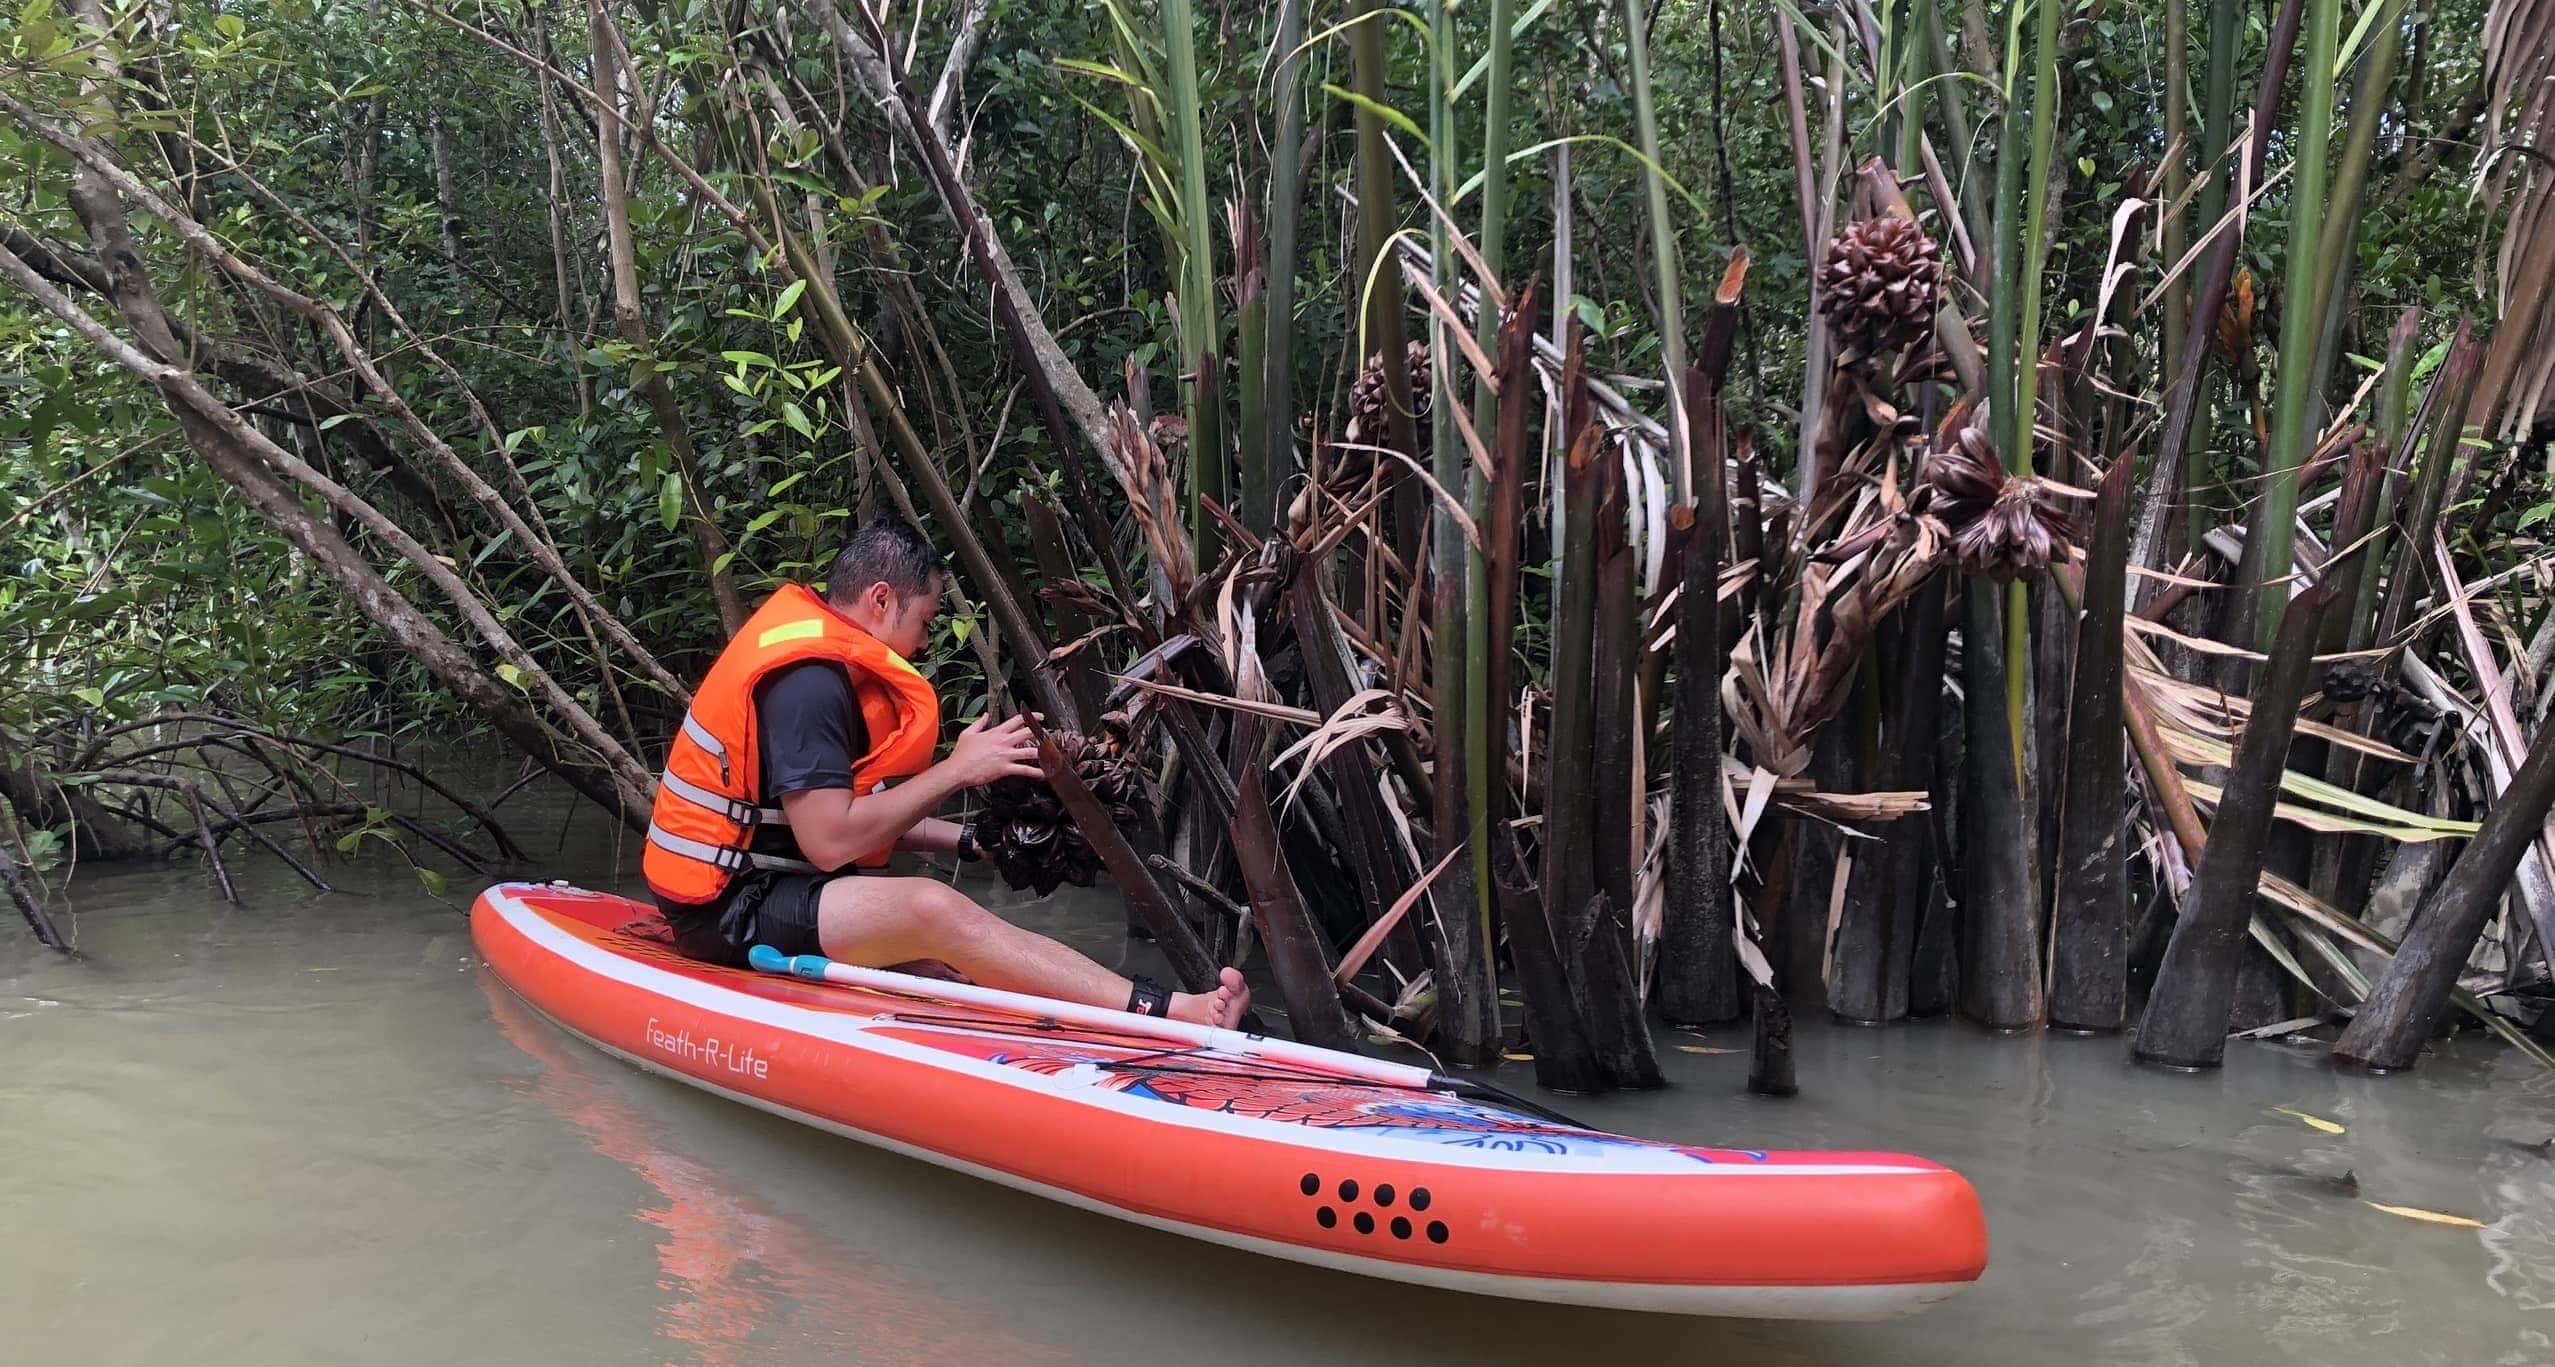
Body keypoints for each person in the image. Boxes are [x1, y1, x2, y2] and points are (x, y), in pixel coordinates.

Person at [643, 516, 1249, 1028]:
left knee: (949, 962)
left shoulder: (835, 672)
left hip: (771, 883)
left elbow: (846, 815)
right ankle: (1164, 1012)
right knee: (933, 910)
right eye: (925, 620)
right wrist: (958, 771)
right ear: (881, 601)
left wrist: (970, 839)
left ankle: (1102, 1006)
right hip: (725, 911)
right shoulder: (808, 686)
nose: (926, 641)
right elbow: (830, 842)